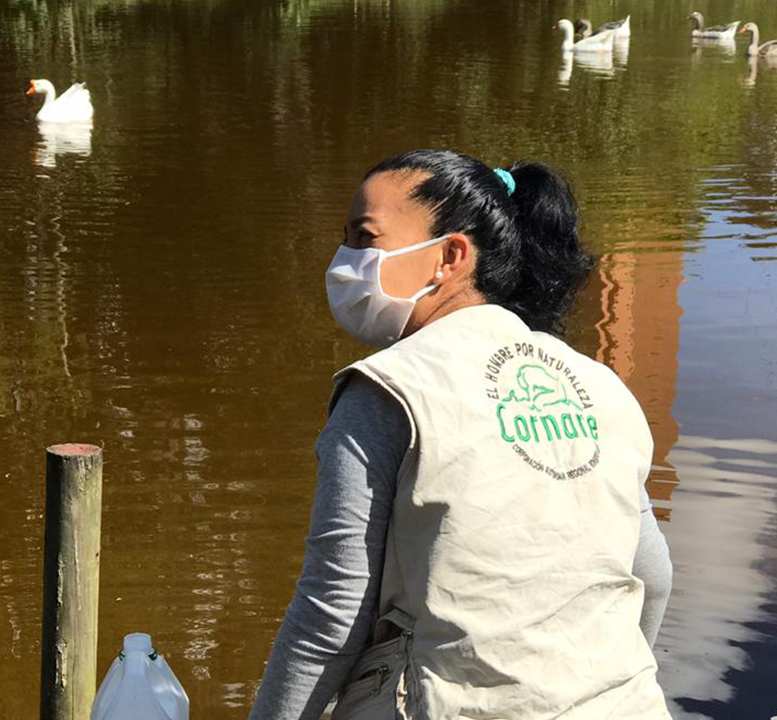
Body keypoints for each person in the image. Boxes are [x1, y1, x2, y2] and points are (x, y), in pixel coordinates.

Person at [248, 150, 673, 720]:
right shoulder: (601, 387)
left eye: (364, 238)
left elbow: (332, 615)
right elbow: (652, 576)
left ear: (450, 255)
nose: (345, 259)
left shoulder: (387, 392)